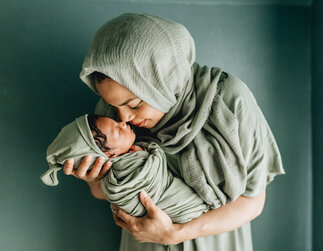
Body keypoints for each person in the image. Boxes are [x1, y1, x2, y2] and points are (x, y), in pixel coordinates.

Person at [64, 13, 285, 250]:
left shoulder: (227, 100)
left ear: (161, 81)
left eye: (135, 104)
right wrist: (94, 180)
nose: (124, 117)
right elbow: (106, 193)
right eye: (114, 106)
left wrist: (175, 233)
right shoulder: (110, 117)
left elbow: (253, 202)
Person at [41, 114, 209, 223]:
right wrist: (151, 151)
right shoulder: (124, 168)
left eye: (116, 123)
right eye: (117, 130)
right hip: (183, 208)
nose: (123, 122)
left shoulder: (127, 158)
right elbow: (151, 172)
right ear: (111, 156)